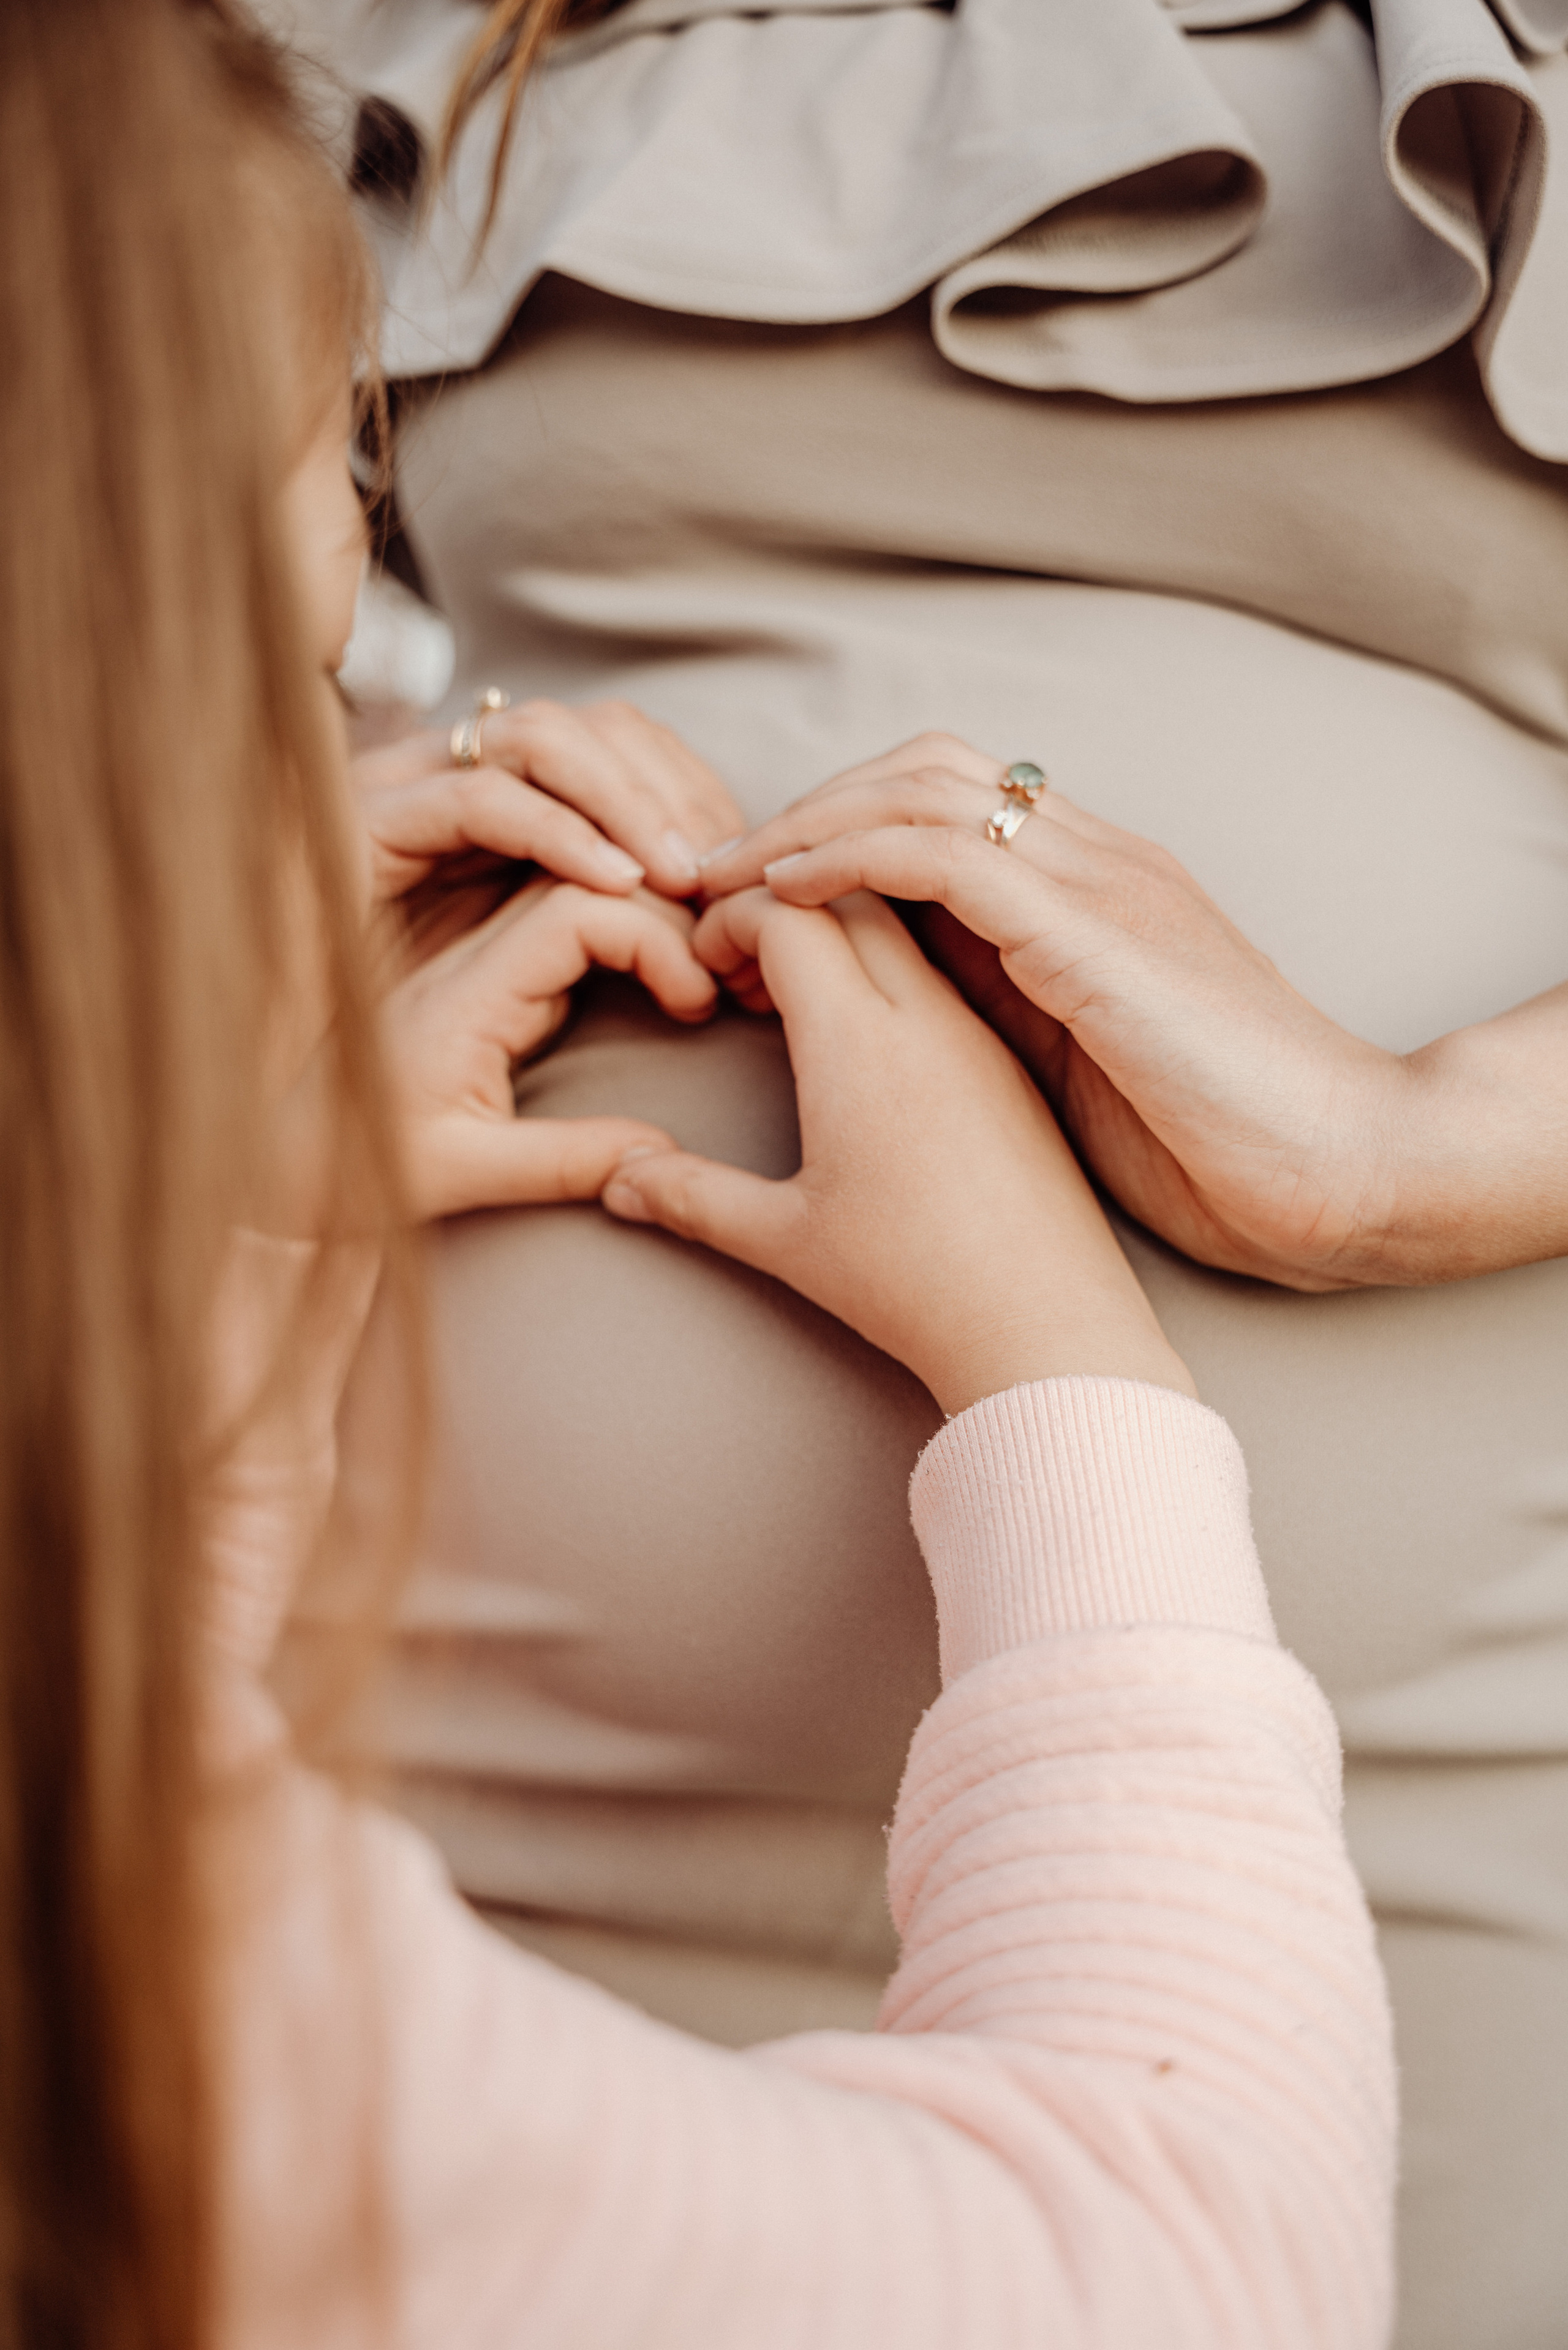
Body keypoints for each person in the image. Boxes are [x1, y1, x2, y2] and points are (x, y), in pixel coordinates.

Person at [2, 5, 1395, 2343]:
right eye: (291, 681)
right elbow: (1182, 2280)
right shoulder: (192, 2002)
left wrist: (225, 1255)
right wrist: (1066, 1375)